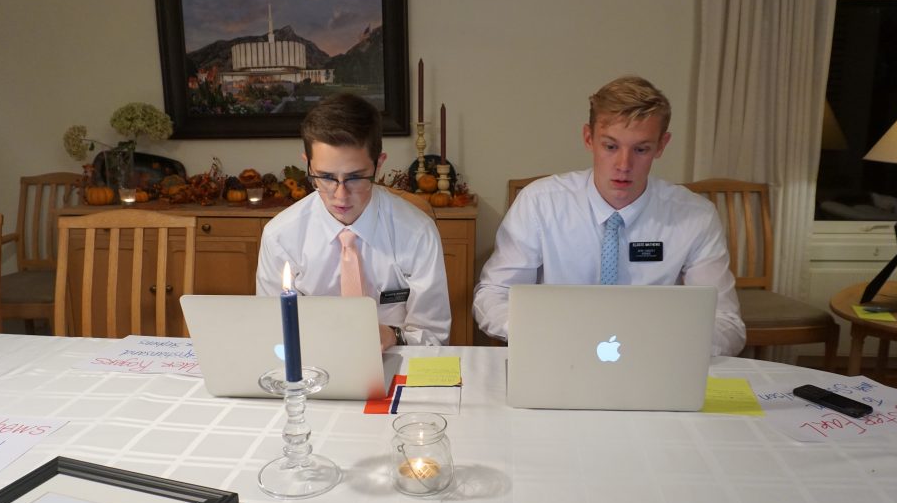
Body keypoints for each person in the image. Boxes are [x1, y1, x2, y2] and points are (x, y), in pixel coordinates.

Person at [473, 75, 746, 356]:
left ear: (661, 145)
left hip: (653, 358)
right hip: (558, 353)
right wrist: (536, 333)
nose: (624, 165)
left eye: (641, 149)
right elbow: (494, 293)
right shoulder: (540, 203)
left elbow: (726, 323)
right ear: (588, 138)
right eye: (611, 146)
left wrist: (668, 346)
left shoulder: (695, 216)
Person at [257, 93, 451, 349]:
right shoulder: (281, 236)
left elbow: (434, 336)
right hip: (312, 361)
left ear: (378, 165)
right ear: (308, 165)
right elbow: (273, 331)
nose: (340, 195)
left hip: (396, 357)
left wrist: (394, 336)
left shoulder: (417, 232)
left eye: (355, 177)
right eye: (326, 177)